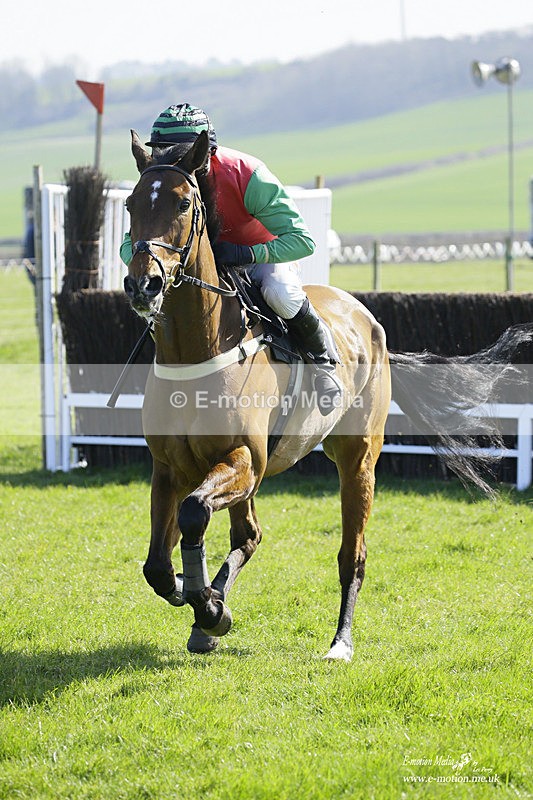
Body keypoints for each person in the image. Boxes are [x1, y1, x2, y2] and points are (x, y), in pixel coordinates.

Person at [120, 103, 341, 413]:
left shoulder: (247, 174)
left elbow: (302, 241)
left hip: (260, 255)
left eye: (179, 157)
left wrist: (246, 253)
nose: (169, 166)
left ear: (203, 153)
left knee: (280, 292)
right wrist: (155, 267)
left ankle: (324, 362)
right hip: (195, 263)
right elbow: (129, 245)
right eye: (161, 156)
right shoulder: (156, 184)